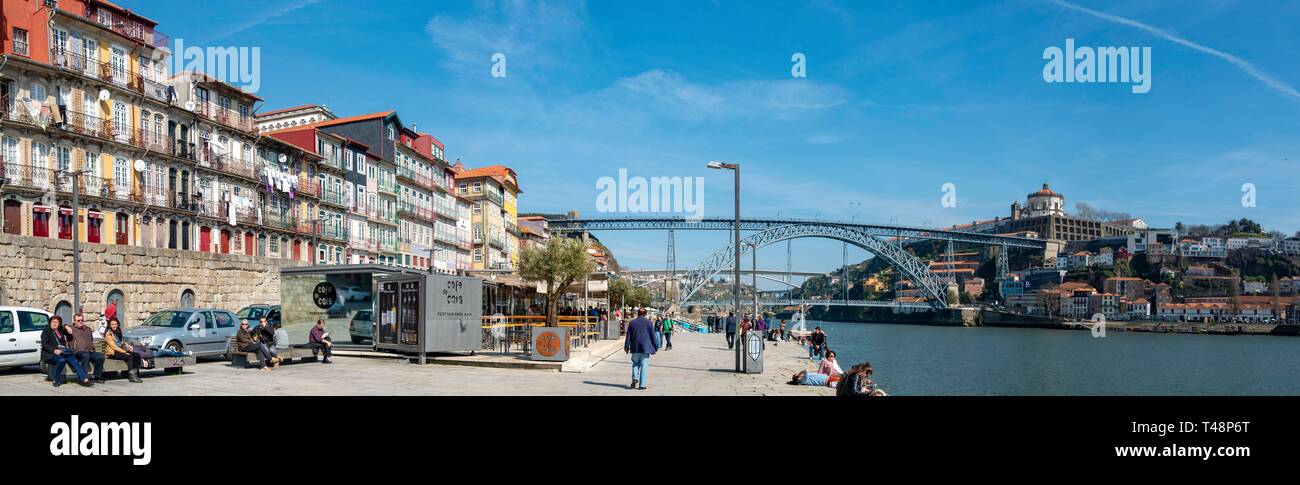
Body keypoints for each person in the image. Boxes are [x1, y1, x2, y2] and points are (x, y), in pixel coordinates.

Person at [41, 315, 89, 387]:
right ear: (50, 322)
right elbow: (44, 344)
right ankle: (56, 380)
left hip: (63, 352)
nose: (54, 324)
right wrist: (54, 350)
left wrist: (67, 327)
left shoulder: (60, 330)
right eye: (52, 322)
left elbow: (69, 335)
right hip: (50, 354)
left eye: (56, 322)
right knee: (61, 360)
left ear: (59, 323)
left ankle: (83, 378)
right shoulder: (46, 331)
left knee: (73, 360)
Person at [65, 313, 106, 384]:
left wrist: (92, 349)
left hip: (90, 351)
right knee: (85, 355)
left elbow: (91, 339)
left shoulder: (88, 329)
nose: (80, 321)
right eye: (78, 320)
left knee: (101, 357)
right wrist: (65, 326)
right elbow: (60, 327)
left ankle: (97, 376)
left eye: (82, 320)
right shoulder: (70, 328)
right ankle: (84, 378)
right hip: (77, 352)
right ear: (74, 321)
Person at [623, 308, 658, 390]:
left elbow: (628, 336)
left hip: (635, 347)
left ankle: (635, 378)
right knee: (644, 365)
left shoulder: (632, 323)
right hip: (645, 348)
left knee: (635, 363)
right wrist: (655, 346)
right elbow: (653, 336)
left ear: (638, 313)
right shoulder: (649, 323)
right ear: (645, 314)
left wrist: (626, 346)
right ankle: (642, 385)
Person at [102, 318, 143, 383]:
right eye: (112, 324)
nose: (114, 326)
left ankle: (133, 373)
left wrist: (128, 346)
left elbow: (121, 342)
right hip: (112, 353)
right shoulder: (108, 334)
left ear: (118, 324)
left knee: (137, 355)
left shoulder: (118, 331)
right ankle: (131, 376)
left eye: (115, 324)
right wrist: (124, 352)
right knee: (129, 356)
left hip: (120, 350)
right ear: (109, 325)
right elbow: (114, 346)